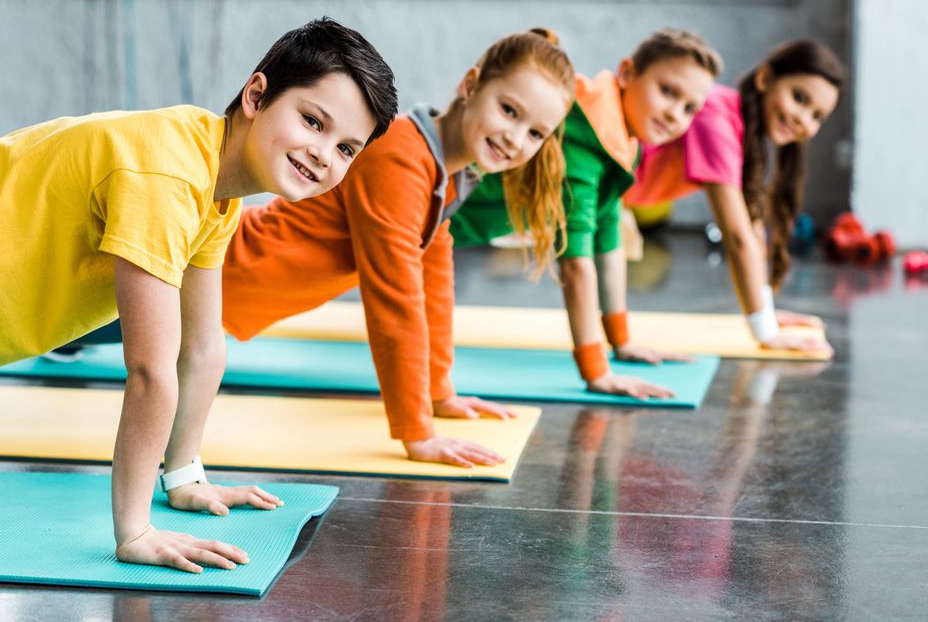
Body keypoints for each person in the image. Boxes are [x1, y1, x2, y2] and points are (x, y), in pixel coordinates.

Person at [0, 18, 398, 572]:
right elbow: (151, 369)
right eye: (312, 121)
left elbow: (200, 347)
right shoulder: (169, 175)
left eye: (346, 147)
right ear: (256, 95)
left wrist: (183, 476)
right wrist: (135, 531)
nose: (322, 153)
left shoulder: (213, 186)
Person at [222, 28, 575, 468]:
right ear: (470, 85)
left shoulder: (445, 172)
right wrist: (417, 433)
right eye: (508, 110)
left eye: (536, 133)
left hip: (223, 293)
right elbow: (395, 300)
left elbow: (434, 285)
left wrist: (440, 393)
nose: (514, 138)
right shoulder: (401, 158)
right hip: (212, 277)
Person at [451, 28, 720, 397]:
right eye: (668, 91)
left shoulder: (621, 142)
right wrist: (597, 372)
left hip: (441, 231)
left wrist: (620, 341)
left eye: (690, 108)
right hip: (432, 220)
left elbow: (607, 238)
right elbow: (576, 263)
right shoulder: (583, 138)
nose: (675, 114)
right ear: (627, 73)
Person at [626, 40, 843, 354]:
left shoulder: (738, 125)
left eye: (817, 116)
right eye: (799, 98)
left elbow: (750, 228)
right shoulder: (714, 117)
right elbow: (737, 237)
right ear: (766, 79)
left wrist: (765, 312)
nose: (803, 119)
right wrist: (765, 333)